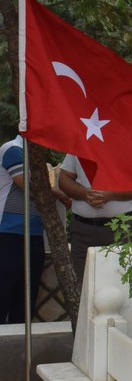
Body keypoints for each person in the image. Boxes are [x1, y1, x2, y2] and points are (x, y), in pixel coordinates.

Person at [1, 135, 70, 323]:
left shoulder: (34, 158)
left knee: (25, 296)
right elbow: (32, 187)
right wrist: (62, 195)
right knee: (5, 290)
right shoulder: (13, 150)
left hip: (33, 234)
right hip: (9, 233)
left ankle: (18, 347)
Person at [58, 155, 132, 291]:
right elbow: (63, 178)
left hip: (121, 230)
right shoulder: (81, 140)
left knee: (121, 286)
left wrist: (111, 195)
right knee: (81, 286)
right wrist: (84, 193)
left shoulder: (130, 144)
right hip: (83, 232)